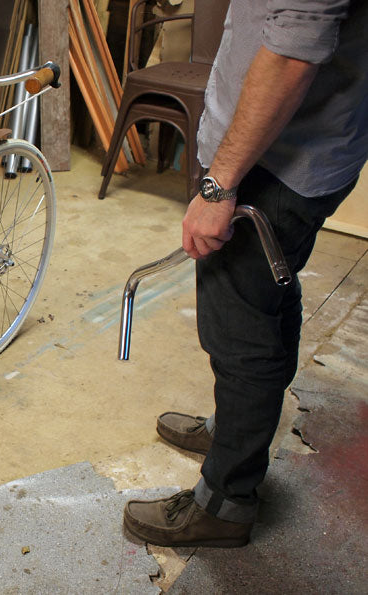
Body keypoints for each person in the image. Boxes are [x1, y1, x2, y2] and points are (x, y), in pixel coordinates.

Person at [122, 0, 368, 548]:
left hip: (273, 165)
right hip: (294, 151)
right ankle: (236, 432)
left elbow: (290, 54)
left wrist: (219, 185)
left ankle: (224, 503)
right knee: (268, 300)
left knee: (239, 333)